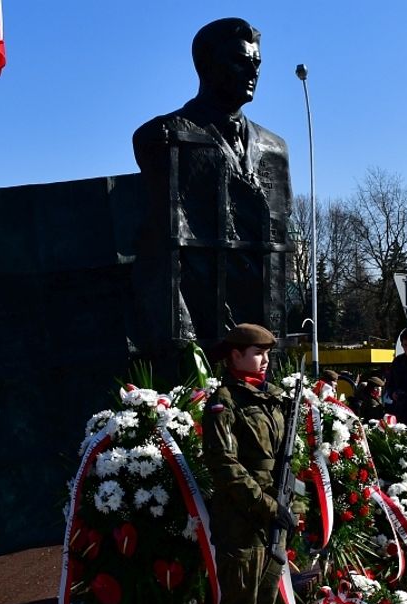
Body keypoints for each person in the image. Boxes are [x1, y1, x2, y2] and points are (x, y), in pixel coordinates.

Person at [132, 18, 292, 357]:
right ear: (205, 65)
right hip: (200, 333)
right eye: (239, 60)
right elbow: (161, 249)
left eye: (257, 63)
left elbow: (278, 245)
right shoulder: (163, 136)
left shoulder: (275, 149)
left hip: (260, 339)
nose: (253, 72)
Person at [201, 323, 300, 604]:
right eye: (258, 352)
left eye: (267, 353)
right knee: (239, 602)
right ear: (235, 354)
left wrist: (290, 502)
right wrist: (266, 506)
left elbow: (287, 458)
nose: (265, 359)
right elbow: (225, 467)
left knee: (264, 599)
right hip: (242, 517)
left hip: (271, 513)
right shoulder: (223, 403)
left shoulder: (271, 398)